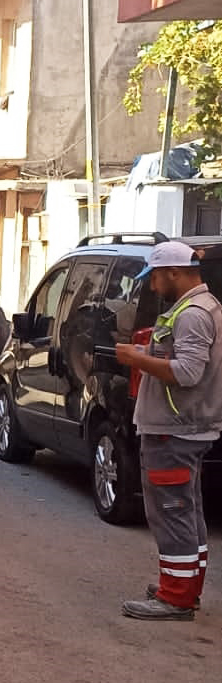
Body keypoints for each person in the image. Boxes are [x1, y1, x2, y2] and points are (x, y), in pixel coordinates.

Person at [114, 241, 222, 620]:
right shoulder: (203, 308)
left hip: (174, 431)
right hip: (186, 428)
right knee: (186, 512)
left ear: (175, 273)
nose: (153, 286)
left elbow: (188, 373)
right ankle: (183, 588)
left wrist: (138, 358)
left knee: (172, 512)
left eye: (157, 278)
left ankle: (175, 598)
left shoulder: (192, 314)